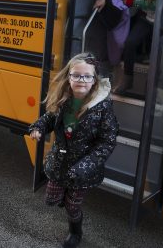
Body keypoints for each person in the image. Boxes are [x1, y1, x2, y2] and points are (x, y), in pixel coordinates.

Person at [28, 53, 119, 248]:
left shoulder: (102, 107)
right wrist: (38, 128)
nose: (81, 80)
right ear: (68, 76)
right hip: (60, 163)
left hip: (83, 170)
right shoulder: (64, 99)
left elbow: (107, 142)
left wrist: (83, 167)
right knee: (51, 199)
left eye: (87, 76)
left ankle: (75, 232)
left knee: (72, 205)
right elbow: (50, 118)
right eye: (76, 75)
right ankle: (63, 195)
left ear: (94, 80)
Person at [112, 0, 162, 94]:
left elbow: (157, 4)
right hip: (146, 18)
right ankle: (127, 79)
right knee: (130, 42)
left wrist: (134, 0)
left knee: (158, 51)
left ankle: (152, 85)